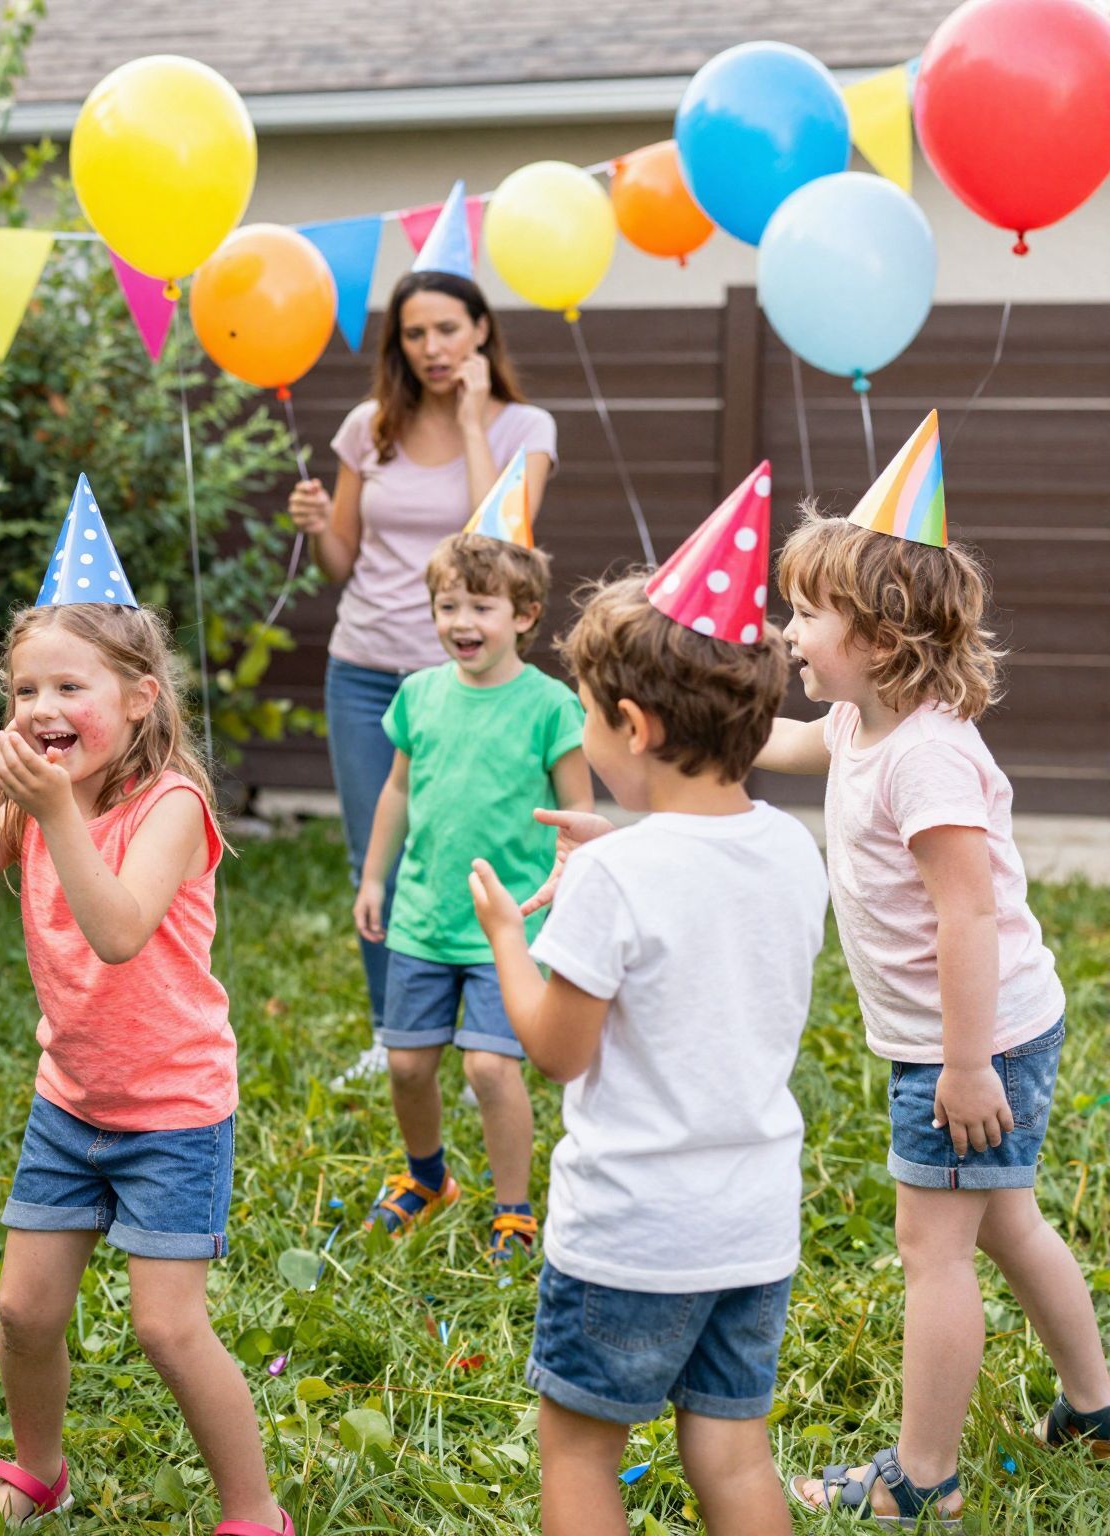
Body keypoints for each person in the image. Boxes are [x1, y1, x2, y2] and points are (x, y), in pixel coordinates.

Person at [0, 485, 290, 1536]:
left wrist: (49, 811)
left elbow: (120, 929)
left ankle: (253, 1512)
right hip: (71, 1102)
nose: (41, 707)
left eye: (67, 687)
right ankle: (39, 1471)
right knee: (23, 1311)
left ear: (137, 698)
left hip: (172, 1109)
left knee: (167, 1330)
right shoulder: (39, 797)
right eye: (23, 690)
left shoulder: (170, 804)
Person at [764, 421, 1109, 1522]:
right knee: (1005, 1225)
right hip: (976, 1033)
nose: (786, 631)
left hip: (971, 1042)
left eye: (804, 614)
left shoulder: (926, 756)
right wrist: (706, 729)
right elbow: (786, 746)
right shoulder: (858, 721)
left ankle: (921, 1478)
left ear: (876, 637)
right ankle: (1097, 1407)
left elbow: (967, 916)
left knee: (933, 1251)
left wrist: (963, 1068)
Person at [467, 534, 827, 1536]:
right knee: (732, 1455)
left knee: (579, 1454)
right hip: (752, 1225)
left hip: (632, 1234)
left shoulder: (615, 877)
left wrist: (507, 941)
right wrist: (624, 850)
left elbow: (556, 1051)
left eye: (585, 712)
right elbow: (702, 887)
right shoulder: (793, 850)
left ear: (630, 724)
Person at [287, 256, 558, 1091]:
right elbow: (340, 562)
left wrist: (474, 424)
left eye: (447, 329)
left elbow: (499, 550)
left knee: (480, 856)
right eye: (414, 334)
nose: (432, 348)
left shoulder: (525, 428)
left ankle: (496, 1030)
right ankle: (394, 1030)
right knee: (375, 852)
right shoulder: (367, 428)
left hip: (474, 683)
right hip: (366, 669)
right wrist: (318, 527)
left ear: (481, 331)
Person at [354, 529, 589, 1258]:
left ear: (525, 615)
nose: (461, 622)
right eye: (447, 605)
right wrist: (373, 876)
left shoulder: (549, 706)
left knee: (489, 1067)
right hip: (425, 916)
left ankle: (513, 1209)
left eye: (481, 607)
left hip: (507, 925)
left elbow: (577, 813)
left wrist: (572, 885)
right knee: (406, 1064)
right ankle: (428, 1178)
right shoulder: (418, 695)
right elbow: (397, 791)